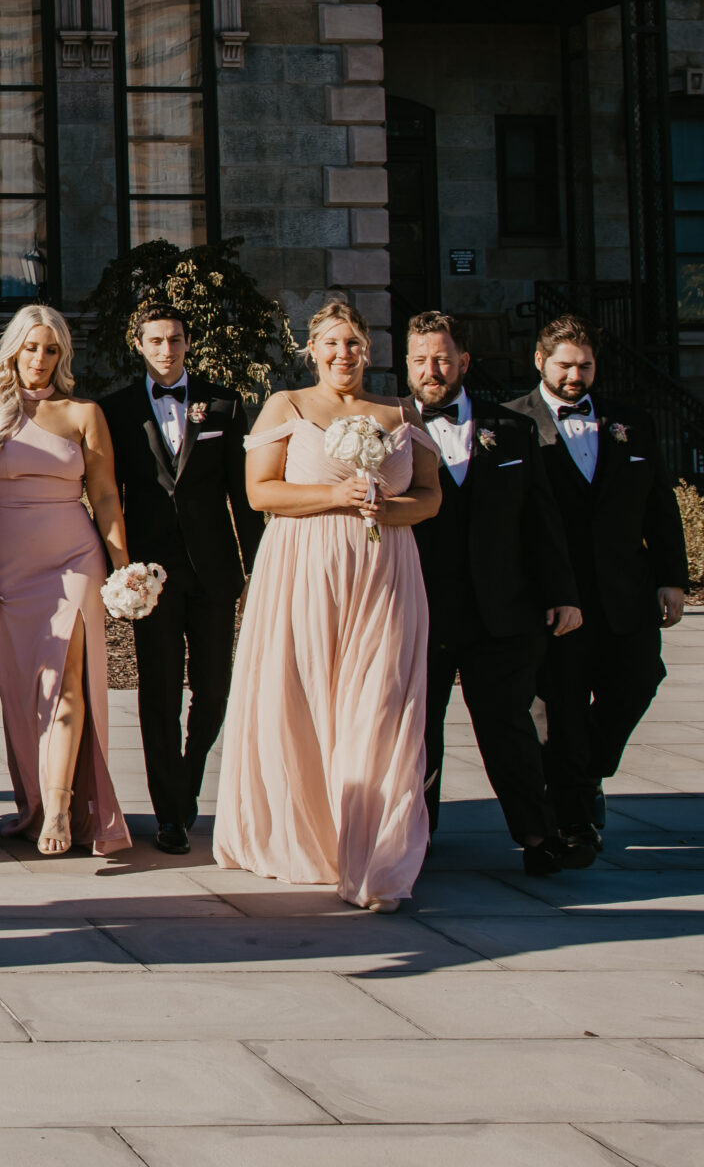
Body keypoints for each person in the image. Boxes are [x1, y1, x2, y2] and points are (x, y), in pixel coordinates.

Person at [216, 299, 439, 910]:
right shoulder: (286, 406)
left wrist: (386, 509)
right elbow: (260, 492)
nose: (345, 354)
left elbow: (429, 497)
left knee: (383, 706)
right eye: (333, 344)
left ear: (370, 350)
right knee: (307, 698)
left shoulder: (400, 409)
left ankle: (379, 857)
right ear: (311, 350)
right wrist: (335, 493)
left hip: (385, 571)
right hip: (304, 569)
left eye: (356, 344)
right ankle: (315, 840)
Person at [406, 312, 590, 875]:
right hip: (419, 609)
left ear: (463, 361)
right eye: (420, 360)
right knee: (416, 731)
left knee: (508, 727)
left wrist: (563, 593)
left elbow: (541, 519)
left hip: (503, 612)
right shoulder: (386, 429)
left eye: (442, 358)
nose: (431, 370)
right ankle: (415, 838)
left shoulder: (511, 428)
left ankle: (537, 836)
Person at [511, 314, 692, 848]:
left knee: (639, 679)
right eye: (565, 364)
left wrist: (671, 579)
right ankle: (572, 820)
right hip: (552, 594)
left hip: (626, 592)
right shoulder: (511, 422)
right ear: (541, 361)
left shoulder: (631, 421)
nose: (575, 375)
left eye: (585, 365)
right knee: (560, 705)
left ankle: (584, 772)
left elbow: (660, 505)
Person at [0, 303, 131, 857]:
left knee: (69, 681)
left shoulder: (85, 413)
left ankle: (59, 805)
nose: (40, 358)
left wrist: (122, 567)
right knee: (24, 689)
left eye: (51, 349)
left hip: (75, 557)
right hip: (8, 564)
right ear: (13, 350)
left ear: (63, 355)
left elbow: (104, 494)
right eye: (31, 347)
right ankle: (35, 802)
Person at [95, 301, 260, 855]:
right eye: (156, 340)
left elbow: (245, 495)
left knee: (214, 691)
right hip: (150, 576)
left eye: (176, 339)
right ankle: (169, 814)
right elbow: (105, 496)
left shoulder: (225, 403)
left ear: (189, 343)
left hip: (214, 572)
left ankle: (186, 785)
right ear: (139, 344)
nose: (167, 349)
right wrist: (115, 569)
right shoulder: (114, 409)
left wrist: (258, 567)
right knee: (158, 694)